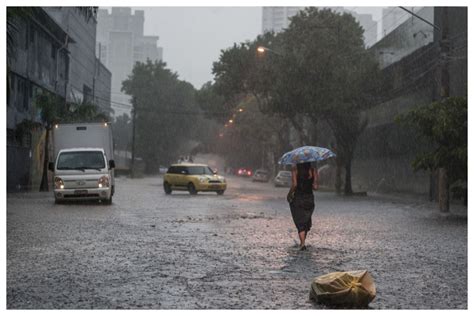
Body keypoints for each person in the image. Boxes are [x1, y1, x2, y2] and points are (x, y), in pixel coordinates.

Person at [289, 162, 319, 251]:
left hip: (298, 198)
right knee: (306, 220)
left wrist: (289, 194)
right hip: (309, 199)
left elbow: (294, 185)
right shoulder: (313, 170)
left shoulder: (295, 170)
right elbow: (316, 187)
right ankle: (303, 242)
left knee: (300, 221)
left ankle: (302, 244)